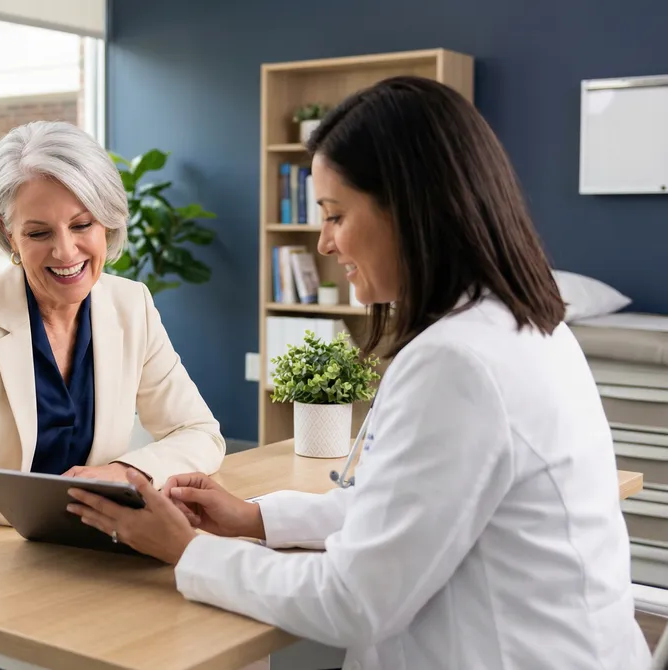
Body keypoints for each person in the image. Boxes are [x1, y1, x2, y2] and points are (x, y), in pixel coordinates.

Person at [66, 76, 651, 669]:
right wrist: (255, 517)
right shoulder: (526, 327)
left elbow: (354, 601)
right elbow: (399, 511)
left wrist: (187, 550)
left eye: (335, 215)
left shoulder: (458, 363)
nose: (324, 243)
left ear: (412, 211)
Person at [0, 120, 226, 669]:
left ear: (107, 223)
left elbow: (198, 432)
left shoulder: (131, 306)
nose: (66, 250)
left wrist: (124, 472)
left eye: (82, 225)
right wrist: (39, 505)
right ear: (8, 236)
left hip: (67, 574)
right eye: (38, 233)